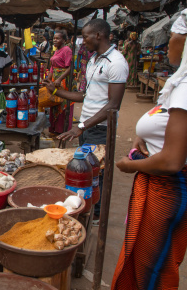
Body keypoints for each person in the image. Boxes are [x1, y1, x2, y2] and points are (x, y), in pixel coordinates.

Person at [112, 4, 187, 290]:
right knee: (153, 258)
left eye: (174, 36)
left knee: (153, 265)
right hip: (181, 185)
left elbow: (171, 162)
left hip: (173, 188)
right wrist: (148, 137)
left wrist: (131, 166)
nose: (166, 45)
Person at [43, 19, 128, 223]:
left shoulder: (116, 62)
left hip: (99, 128)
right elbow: (85, 96)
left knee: (97, 172)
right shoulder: (94, 60)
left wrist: (81, 126)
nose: (82, 41)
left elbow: (113, 105)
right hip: (87, 126)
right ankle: (88, 210)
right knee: (86, 172)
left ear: (98, 35)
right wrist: (56, 91)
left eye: (85, 36)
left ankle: (96, 214)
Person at [45, 30, 73, 134]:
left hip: (63, 81)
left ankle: (62, 130)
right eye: (54, 38)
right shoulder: (56, 50)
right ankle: (55, 129)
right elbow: (52, 67)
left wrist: (59, 79)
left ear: (64, 40)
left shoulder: (67, 50)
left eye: (58, 38)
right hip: (55, 80)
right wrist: (48, 79)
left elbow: (70, 67)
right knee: (54, 102)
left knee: (63, 103)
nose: (55, 40)